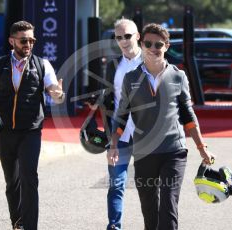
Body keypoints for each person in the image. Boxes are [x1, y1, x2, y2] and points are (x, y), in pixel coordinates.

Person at [108, 23, 215, 230]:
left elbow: (188, 115)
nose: (153, 48)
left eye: (158, 44)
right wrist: (114, 144)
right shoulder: (131, 79)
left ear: (166, 46)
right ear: (142, 44)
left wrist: (202, 148)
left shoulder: (178, 76)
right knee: (150, 210)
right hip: (144, 152)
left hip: (173, 151)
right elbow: (122, 115)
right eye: (148, 43)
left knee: (168, 205)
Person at [0, 20, 65, 230]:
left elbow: (56, 91)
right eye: (24, 40)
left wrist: (58, 94)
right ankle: (17, 222)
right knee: (12, 182)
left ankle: (30, 226)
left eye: (32, 40)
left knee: (30, 179)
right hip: (5, 131)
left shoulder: (42, 64)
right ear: (12, 41)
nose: (28, 44)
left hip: (31, 131)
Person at [102, 18, 142, 230]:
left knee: (151, 188)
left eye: (127, 36)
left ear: (137, 36)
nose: (123, 41)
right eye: (119, 37)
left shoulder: (151, 61)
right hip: (120, 135)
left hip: (148, 134)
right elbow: (109, 98)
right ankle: (114, 226)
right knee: (116, 185)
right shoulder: (113, 65)